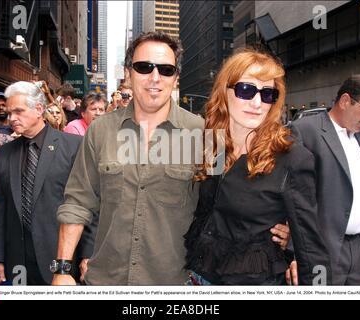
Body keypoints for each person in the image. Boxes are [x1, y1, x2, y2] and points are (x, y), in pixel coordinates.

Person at [52, 32, 289, 286]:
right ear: (128, 73)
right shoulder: (100, 131)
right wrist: (63, 268)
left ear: (176, 78)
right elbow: (77, 202)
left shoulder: (204, 135)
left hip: (174, 285)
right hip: (105, 281)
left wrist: (282, 231)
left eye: (166, 70)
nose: (155, 78)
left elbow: (224, 203)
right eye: (144, 67)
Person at [183, 48, 330, 286]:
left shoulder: (292, 158)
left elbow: (312, 247)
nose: (257, 103)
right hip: (198, 279)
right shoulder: (214, 145)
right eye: (246, 90)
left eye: (267, 94)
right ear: (225, 91)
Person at [0, 81, 96, 285]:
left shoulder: (72, 146)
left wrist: (88, 254)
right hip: (18, 260)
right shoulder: (3, 154)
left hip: (63, 257)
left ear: (39, 109)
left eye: (18, 111)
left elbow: (88, 204)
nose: (12, 118)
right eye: (9, 113)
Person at [290, 74, 360, 285]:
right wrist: (295, 254)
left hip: (358, 249)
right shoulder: (306, 130)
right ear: (345, 101)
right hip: (319, 249)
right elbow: (293, 196)